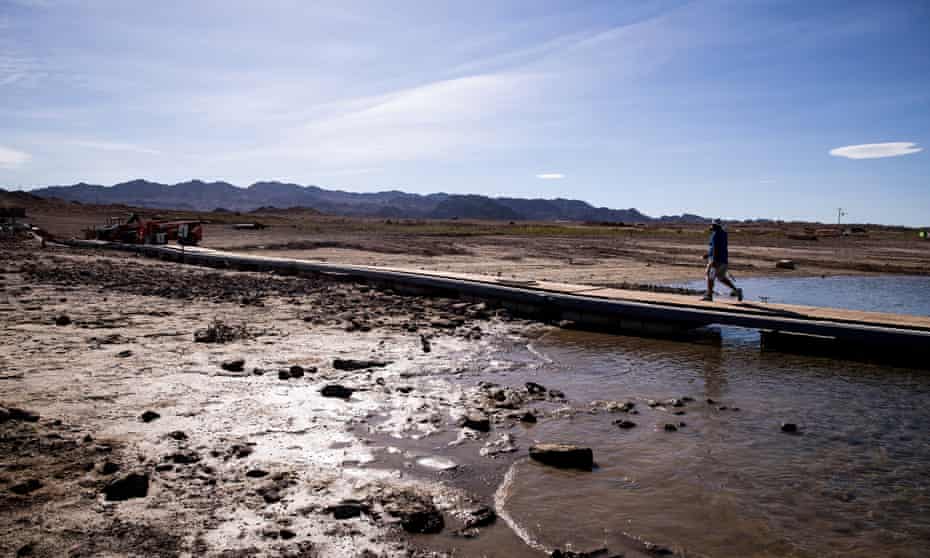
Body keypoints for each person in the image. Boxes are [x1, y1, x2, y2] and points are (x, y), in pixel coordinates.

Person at [702, 219, 743, 302]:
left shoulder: (716, 234)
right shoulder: (724, 234)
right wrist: (708, 254)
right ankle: (736, 290)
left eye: (712, 225)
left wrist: (713, 260)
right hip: (724, 260)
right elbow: (718, 247)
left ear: (716, 226)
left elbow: (716, 248)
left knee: (710, 276)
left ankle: (709, 295)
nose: (711, 226)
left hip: (716, 260)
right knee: (721, 277)